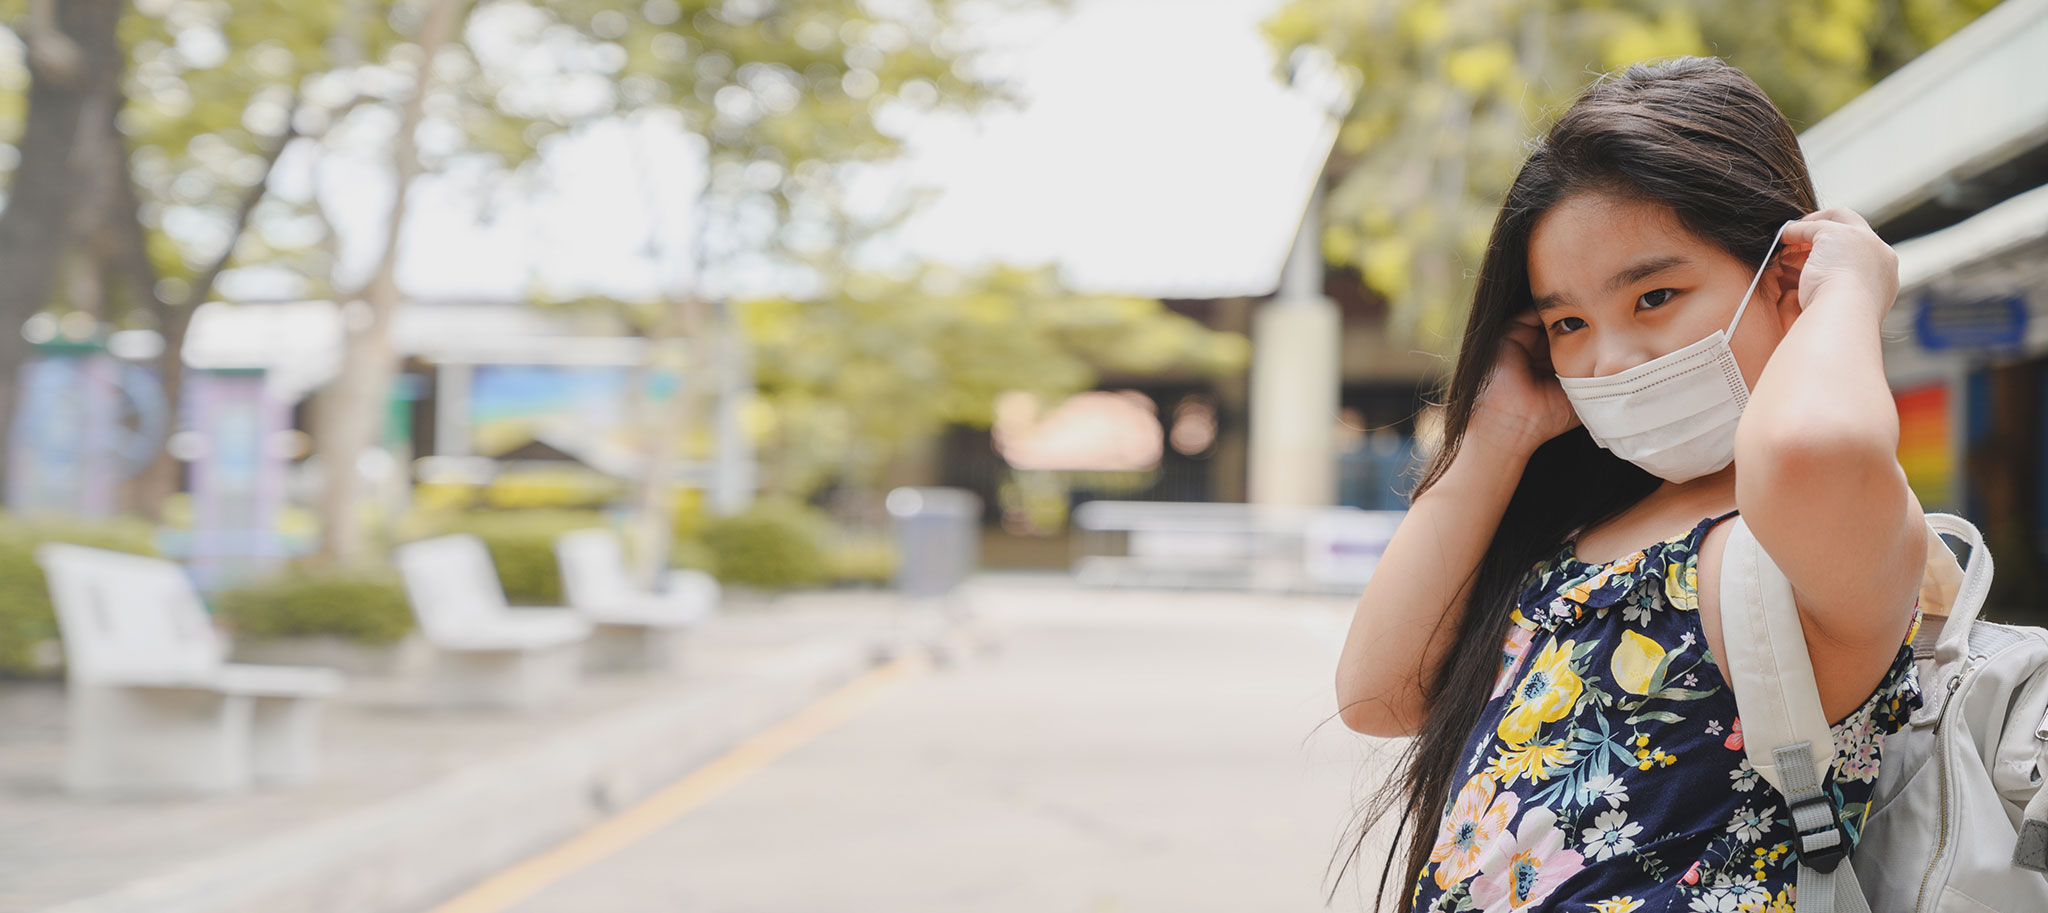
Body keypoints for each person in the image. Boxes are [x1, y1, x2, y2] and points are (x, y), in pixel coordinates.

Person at [1331, 56, 1927, 913]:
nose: (1607, 359)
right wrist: (1499, 435)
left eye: (1654, 296)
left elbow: (1810, 445)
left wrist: (1847, 292)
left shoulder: (1823, 519)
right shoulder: (1581, 529)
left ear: (1783, 275)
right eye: (1567, 321)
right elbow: (1377, 692)